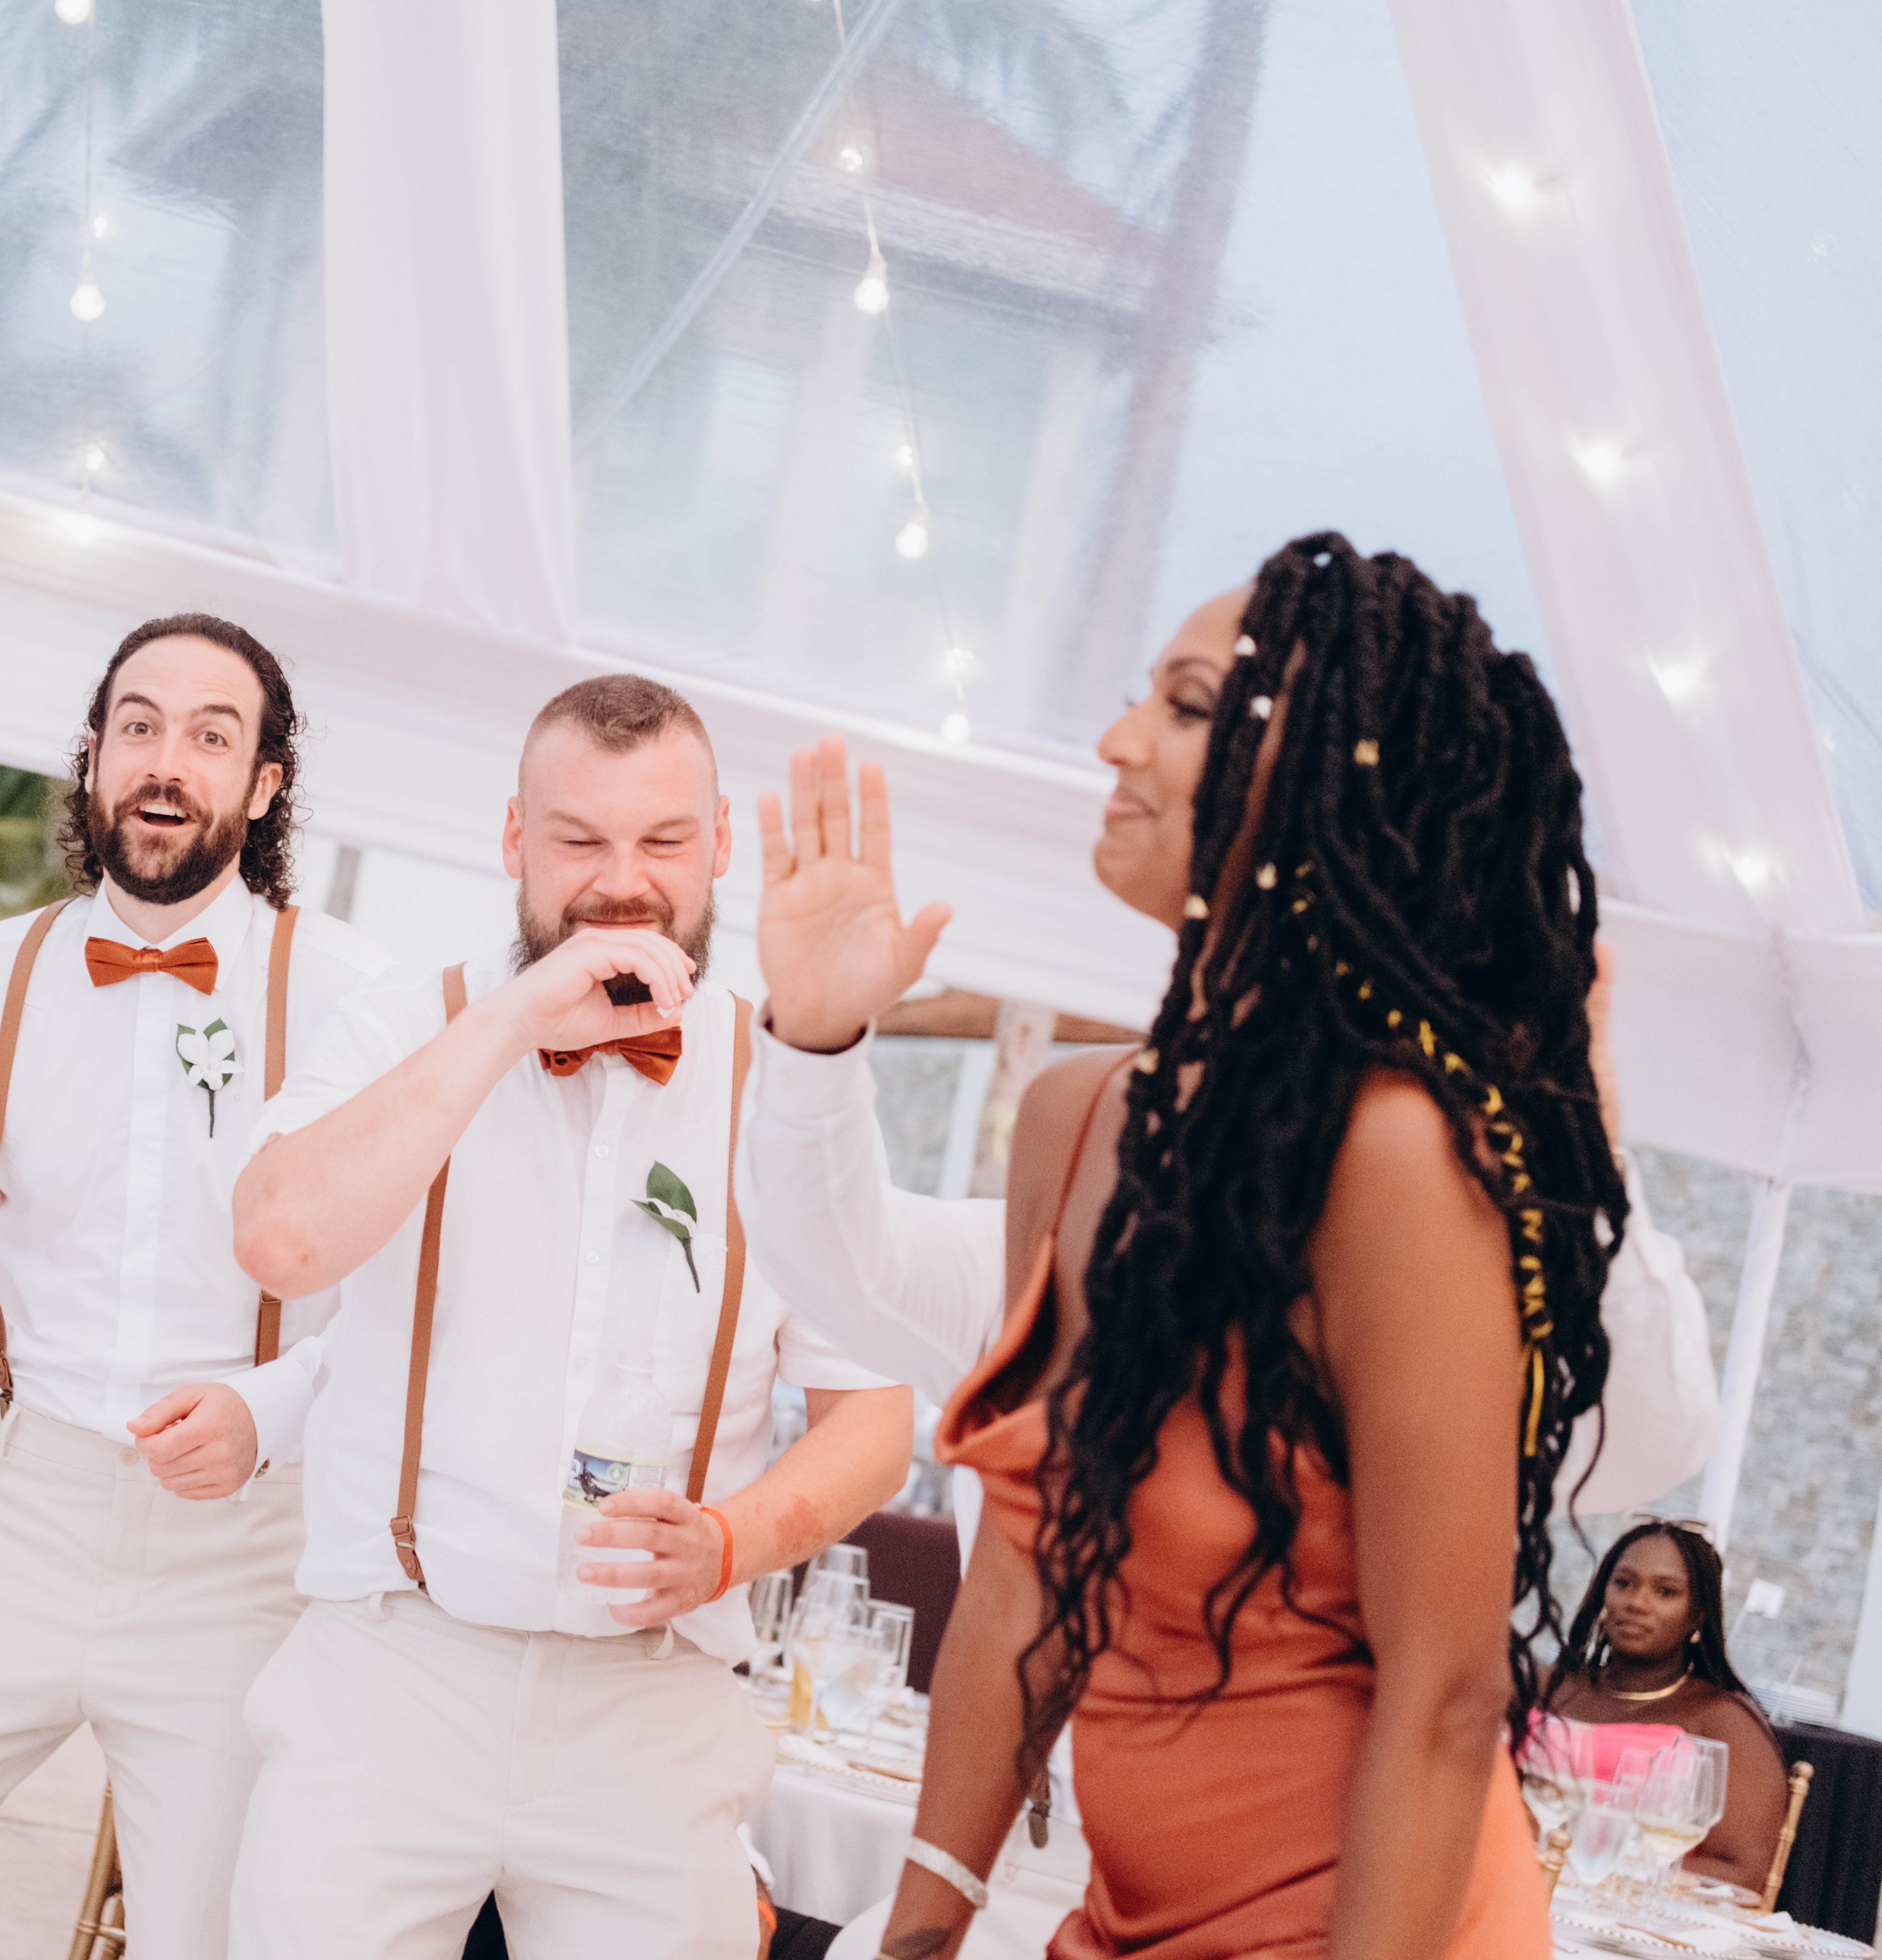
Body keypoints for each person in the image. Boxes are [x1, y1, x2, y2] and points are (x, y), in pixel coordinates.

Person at [752, 534, 1627, 1958]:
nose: (1116, 740)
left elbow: (1445, 1691)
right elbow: (1024, 1574)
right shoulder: (1074, 1120)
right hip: (1126, 1916)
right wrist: (919, 1927)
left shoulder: (1394, 1153)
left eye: (1186, 705)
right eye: (1137, 695)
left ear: (1337, 778)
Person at [228, 675, 916, 1959]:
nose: (622, 883)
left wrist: (732, 1540)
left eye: (662, 841)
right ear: (513, 840)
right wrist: (508, 1021)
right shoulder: (402, 1025)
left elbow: (872, 1418)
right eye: (579, 840)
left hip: (652, 1708)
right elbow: (278, 1243)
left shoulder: (792, 1092)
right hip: (391, 1671)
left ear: (719, 847)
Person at [0, 616, 398, 1959]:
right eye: (139, 725)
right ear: (93, 755)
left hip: (247, 1549)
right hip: (4, 1502)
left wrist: (270, 1408)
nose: (167, 762)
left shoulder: (359, 996)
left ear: (264, 785)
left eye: (211, 736)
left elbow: (406, 1299)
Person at [1543, 1520, 1790, 1891]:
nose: (1636, 1603)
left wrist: (1604, 1872)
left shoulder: (1724, 1721)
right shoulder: (1548, 1685)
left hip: (1628, 1911)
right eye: (1623, 1583)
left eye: (1665, 1592)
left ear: (1698, 1614)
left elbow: (1743, 1872)